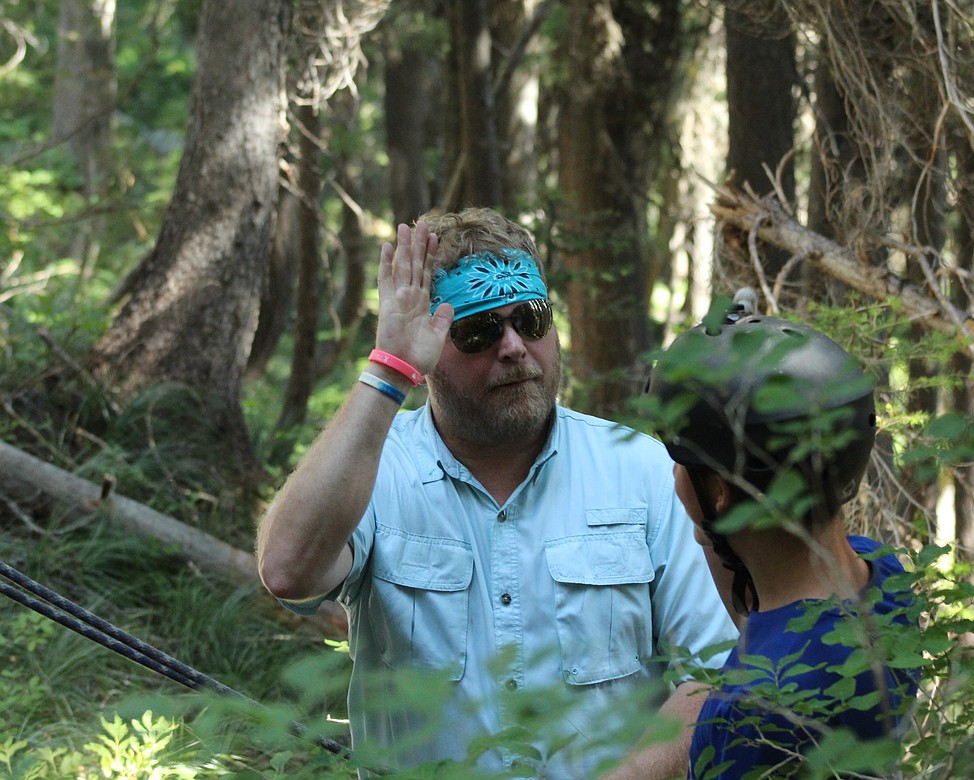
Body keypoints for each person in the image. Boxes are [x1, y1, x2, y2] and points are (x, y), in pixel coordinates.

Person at [255, 208, 737, 778]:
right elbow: (288, 571)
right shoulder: (376, 469)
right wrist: (389, 371)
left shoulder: (639, 469)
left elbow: (712, 672)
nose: (512, 347)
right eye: (480, 330)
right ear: (431, 346)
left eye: (530, 321)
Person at [644, 291, 918, 779]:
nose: (673, 477)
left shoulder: (748, 713)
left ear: (721, 491)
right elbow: (770, 611)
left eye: (680, 464)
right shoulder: (885, 579)